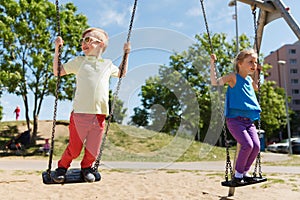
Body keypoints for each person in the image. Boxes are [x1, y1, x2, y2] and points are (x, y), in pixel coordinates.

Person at [52, 27, 131, 183]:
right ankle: (62, 167)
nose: (83, 43)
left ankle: (87, 168)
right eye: (83, 41)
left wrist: (126, 53)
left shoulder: (107, 64)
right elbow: (58, 71)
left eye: (88, 40)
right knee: (74, 149)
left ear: (100, 44)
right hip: (80, 114)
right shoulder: (79, 61)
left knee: (93, 150)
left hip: (100, 115)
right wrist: (57, 49)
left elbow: (121, 73)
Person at [210, 49, 262, 185]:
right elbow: (215, 82)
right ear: (240, 63)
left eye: (255, 62)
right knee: (247, 145)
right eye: (250, 61)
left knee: (256, 146)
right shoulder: (233, 77)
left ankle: (245, 172)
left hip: (249, 122)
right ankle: (238, 175)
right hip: (235, 121)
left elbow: (256, 87)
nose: (254, 64)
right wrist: (212, 64)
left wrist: (258, 72)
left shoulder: (250, 80)